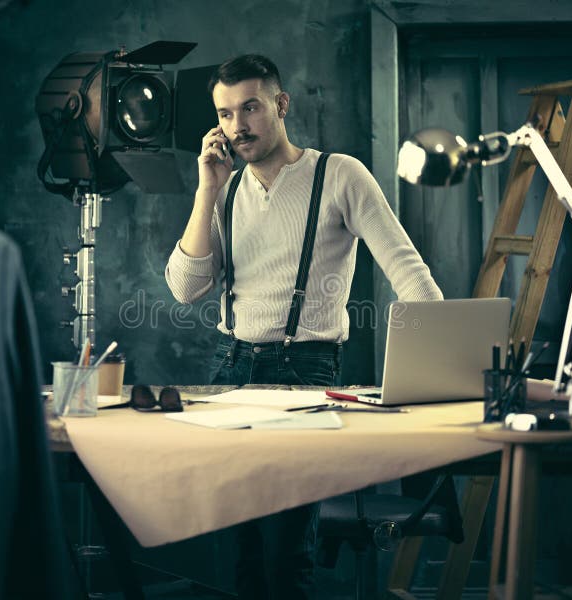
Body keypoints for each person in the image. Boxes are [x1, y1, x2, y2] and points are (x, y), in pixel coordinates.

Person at [165, 54, 442, 600]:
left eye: (250, 107)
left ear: (281, 104)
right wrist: (206, 191)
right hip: (231, 370)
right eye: (224, 114)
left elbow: (410, 275)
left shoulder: (339, 175)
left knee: (288, 552)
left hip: (305, 372)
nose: (237, 126)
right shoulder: (227, 190)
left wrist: (438, 370)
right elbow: (184, 287)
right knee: (240, 552)